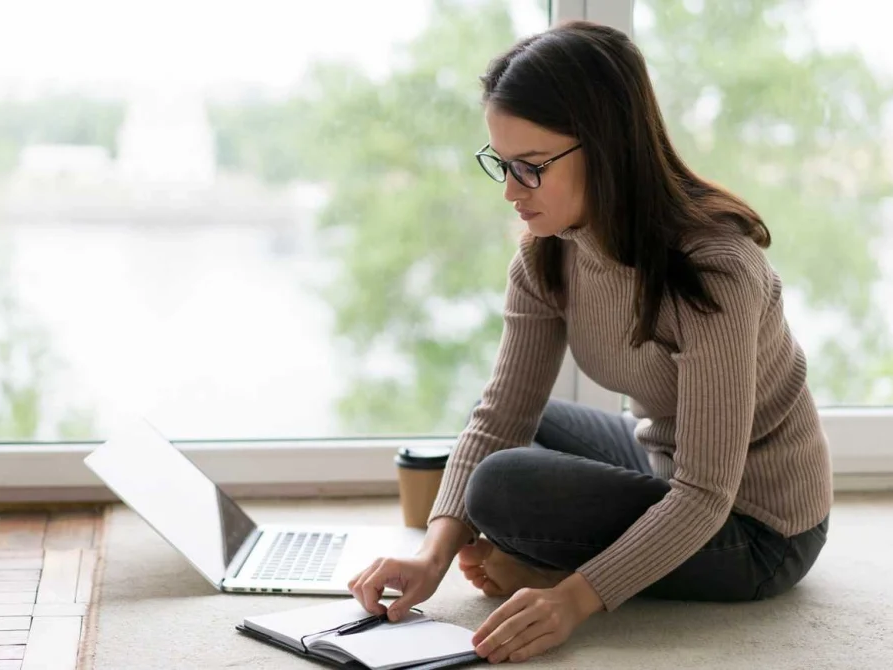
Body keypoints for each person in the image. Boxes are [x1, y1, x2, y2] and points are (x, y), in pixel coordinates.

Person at [348, 19, 832, 664]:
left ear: (605, 148)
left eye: (530, 167)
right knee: (522, 429)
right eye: (501, 163)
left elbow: (707, 494)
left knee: (503, 486)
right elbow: (501, 415)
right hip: (668, 463)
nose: (511, 191)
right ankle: (560, 564)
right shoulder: (548, 256)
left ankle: (555, 573)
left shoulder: (714, 271)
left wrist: (571, 600)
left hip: (760, 526)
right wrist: (431, 557)